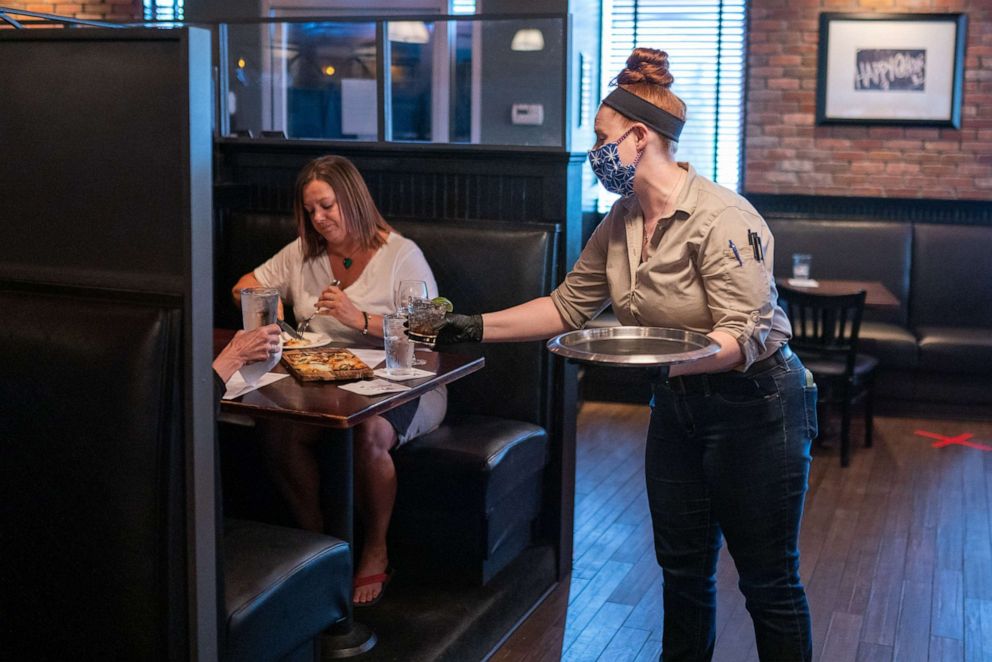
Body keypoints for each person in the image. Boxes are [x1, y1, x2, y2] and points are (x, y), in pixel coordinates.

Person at [434, 48, 817, 661]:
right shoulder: (621, 218)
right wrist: (467, 326)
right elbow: (566, 308)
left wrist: (648, 361)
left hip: (760, 403)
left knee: (768, 580)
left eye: (601, 137)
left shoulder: (722, 217)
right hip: (678, 403)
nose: (595, 151)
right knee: (683, 571)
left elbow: (740, 337)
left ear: (640, 138)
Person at [232, 155, 447, 606]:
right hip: (325, 385)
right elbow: (245, 285)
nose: (319, 218)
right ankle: (318, 545)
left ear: (352, 198)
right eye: (310, 211)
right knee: (276, 429)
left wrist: (361, 318)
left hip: (405, 382)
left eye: (326, 206)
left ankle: (375, 548)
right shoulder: (304, 253)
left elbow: (429, 334)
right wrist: (276, 316)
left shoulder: (400, 254)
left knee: (369, 435)